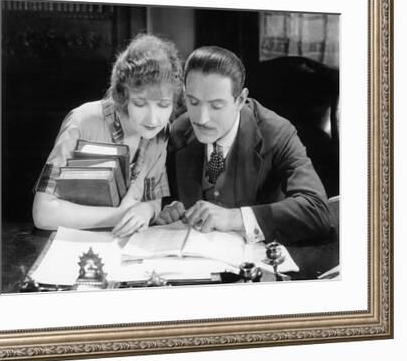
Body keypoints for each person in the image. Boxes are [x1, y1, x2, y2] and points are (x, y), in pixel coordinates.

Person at [156, 46, 332, 245]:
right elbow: (162, 195)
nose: (202, 119)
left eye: (216, 106)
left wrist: (234, 218)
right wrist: (168, 209)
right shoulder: (178, 131)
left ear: (240, 100)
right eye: (194, 102)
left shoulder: (276, 132)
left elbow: (317, 210)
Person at [32, 34, 183, 238]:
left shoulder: (160, 132)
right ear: (123, 95)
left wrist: (147, 210)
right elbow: (43, 214)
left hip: (130, 248)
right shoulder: (82, 121)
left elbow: (152, 197)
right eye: (140, 103)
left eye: (164, 105)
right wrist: (119, 215)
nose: (153, 118)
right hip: (70, 246)